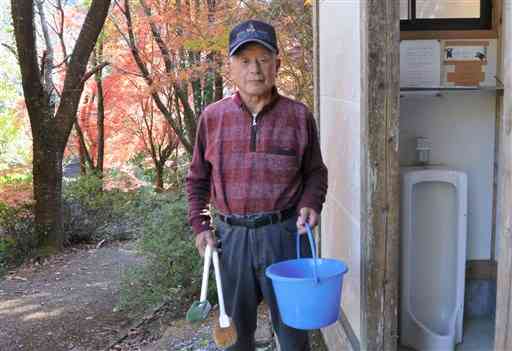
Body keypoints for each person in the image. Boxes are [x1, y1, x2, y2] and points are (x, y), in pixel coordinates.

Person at [186, 19, 328, 351]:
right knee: (235, 338)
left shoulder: (298, 116)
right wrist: (200, 226)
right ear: (231, 67)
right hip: (231, 239)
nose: (255, 69)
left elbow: (316, 172)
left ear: (277, 64)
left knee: (294, 335)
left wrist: (310, 203)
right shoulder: (212, 117)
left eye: (263, 59)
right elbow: (196, 180)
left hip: (285, 236)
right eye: (244, 60)